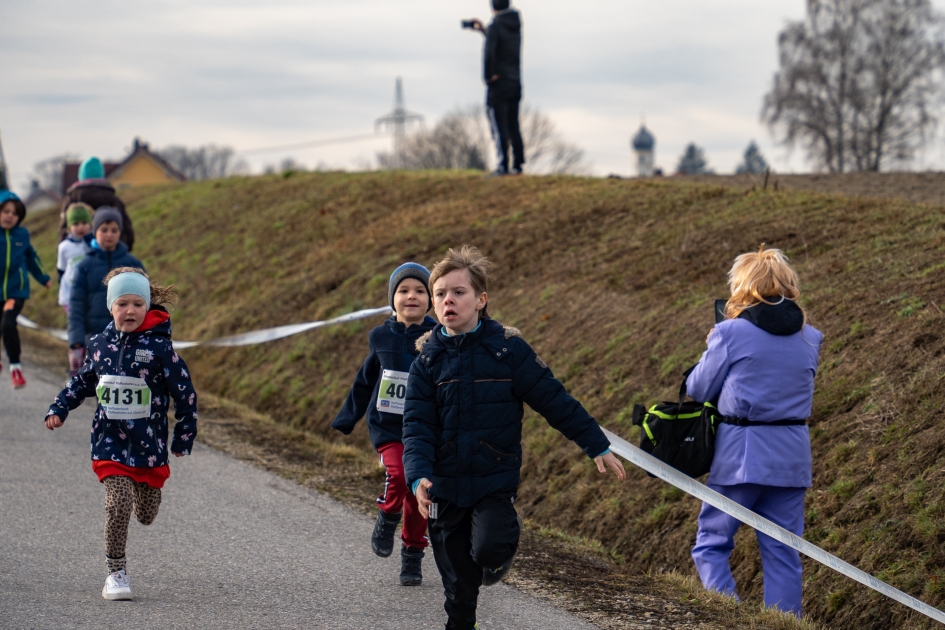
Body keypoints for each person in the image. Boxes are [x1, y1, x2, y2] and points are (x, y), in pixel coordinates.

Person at [402, 245, 626, 630]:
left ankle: (500, 552)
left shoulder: (508, 350)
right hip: (444, 483)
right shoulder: (426, 359)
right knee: (458, 589)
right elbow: (416, 426)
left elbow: (554, 399)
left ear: (481, 300)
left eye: (458, 292)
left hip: (493, 477)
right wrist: (418, 475)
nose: (447, 301)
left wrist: (595, 444)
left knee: (489, 546)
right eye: (440, 294)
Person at [44, 267, 198, 601]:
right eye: (122, 303)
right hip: (108, 442)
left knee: (145, 514)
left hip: (149, 445)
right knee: (118, 503)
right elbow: (83, 381)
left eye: (137, 304)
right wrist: (59, 408)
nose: (130, 310)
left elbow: (185, 395)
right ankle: (116, 573)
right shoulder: (99, 344)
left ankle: (148, 494)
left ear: (147, 307)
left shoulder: (161, 350)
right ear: (111, 307)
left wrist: (184, 435)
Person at [685, 246, 822, 618]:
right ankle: (784, 625)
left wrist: (713, 342)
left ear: (743, 287)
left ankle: (728, 617)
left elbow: (698, 389)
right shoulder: (812, 338)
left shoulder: (730, 333)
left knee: (711, 544)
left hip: (740, 454)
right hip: (792, 456)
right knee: (783, 552)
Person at [331, 262, 437, 586]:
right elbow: (364, 381)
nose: (411, 296)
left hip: (426, 430)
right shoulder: (380, 337)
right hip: (388, 427)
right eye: (403, 290)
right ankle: (387, 516)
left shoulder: (439, 339)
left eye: (420, 290)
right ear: (392, 299)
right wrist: (348, 417)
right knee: (401, 475)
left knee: (421, 492)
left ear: (431, 299)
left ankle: (413, 555)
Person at [68, 207, 143, 356]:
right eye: (104, 230)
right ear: (95, 232)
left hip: (128, 337)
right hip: (95, 338)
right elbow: (76, 304)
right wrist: (76, 338)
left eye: (114, 230)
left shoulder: (133, 264)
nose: (109, 234)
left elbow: (146, 301)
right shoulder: (84, 266)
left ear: (120, 233)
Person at [0, 190, 52, 389]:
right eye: (5, 211)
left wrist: (43, 278)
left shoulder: (22, 235)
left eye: (14, 213)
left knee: (7, 325)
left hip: (15, 292)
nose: (9, 215)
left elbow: (32, 259)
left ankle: (16, 368)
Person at [469, 0, 524, 176]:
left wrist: (487, 77)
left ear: (493, 7)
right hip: (515, 81)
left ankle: (503, 165)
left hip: (498, 82)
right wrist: (485, 31)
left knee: (498, 123)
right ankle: (518, 163)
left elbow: (489, 53)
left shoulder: (496, 26)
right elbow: (504, 44)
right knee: (513, 122)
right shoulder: (515, 24)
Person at [58, 156, 135, 251]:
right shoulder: (114, 200)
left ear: (81, 176)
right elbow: (127, 230)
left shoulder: (72, 200)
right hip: (112, 254)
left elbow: (63, 228)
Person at [57, 202, 93, 377]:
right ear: (69, 226)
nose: (80, 227)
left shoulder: (92, 244)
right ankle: (75, 366)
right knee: (76, 328)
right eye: (76, 224)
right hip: (70, 296)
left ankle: (88, 365)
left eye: (84, 223)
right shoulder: (64, 247)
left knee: (88, 329)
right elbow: (61, 271)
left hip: (89, 295)